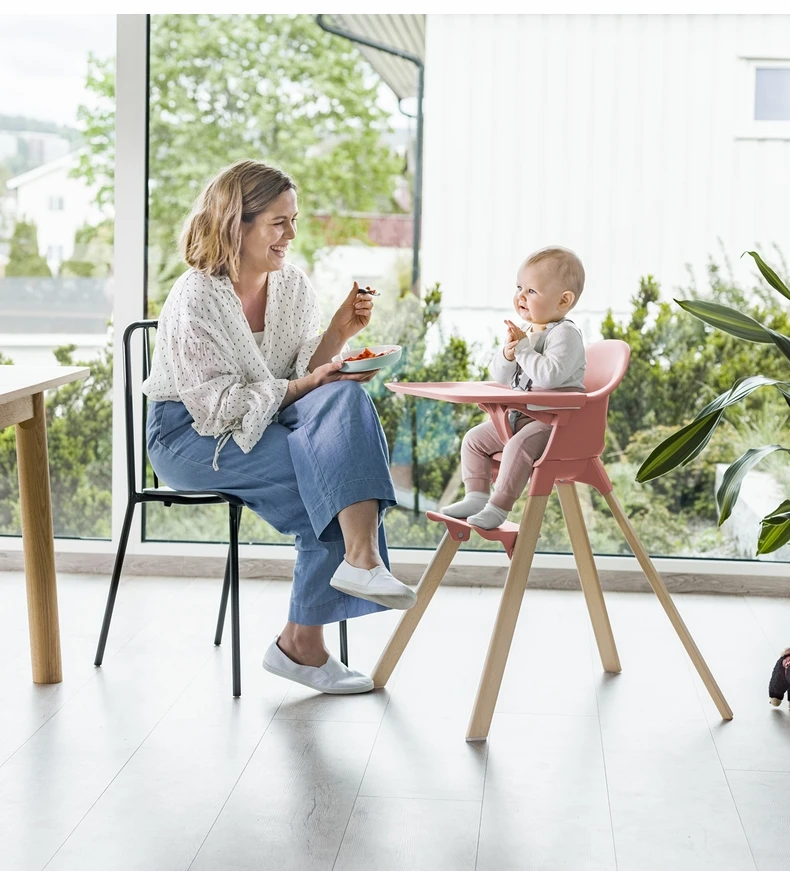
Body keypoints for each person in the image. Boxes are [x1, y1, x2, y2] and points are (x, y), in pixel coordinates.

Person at [142, 159, 415, 696]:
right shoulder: (195, 297)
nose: (292, 234)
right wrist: (307, 385)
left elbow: (300, 375)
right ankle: (302, 646)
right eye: (278, 222)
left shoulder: (290, 286)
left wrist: (340, 331)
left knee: (344, 396)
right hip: (190, 434)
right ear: (234, 224)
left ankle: (360, 562)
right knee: (328, 479)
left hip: (266, 413)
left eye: (294, 220)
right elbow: (217, 406)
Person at [442, 246, 586, 530]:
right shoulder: (528, 331)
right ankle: (476, 496)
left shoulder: (565, 334)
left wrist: (522, 350)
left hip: (557, 423)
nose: (521, 296)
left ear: (563, 300)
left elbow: (550, 377)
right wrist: (509, 354)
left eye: (531, 291)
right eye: (519, 287)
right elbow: (500, 377)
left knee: (518, 446)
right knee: (474, 439)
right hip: (522, 416)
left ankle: (499, 507)